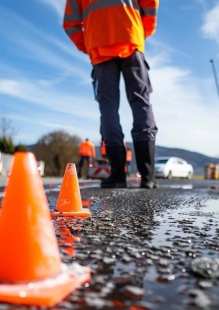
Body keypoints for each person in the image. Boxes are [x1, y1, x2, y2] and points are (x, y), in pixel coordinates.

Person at [63, 0, 159, 189]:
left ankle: (117, 176)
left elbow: (70, 23)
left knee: (108, 109)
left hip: (99, 45)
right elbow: (150, 5)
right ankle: (147, 176)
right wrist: (140, 32)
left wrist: (88, 44)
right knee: (141, 103)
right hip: (131, 37)